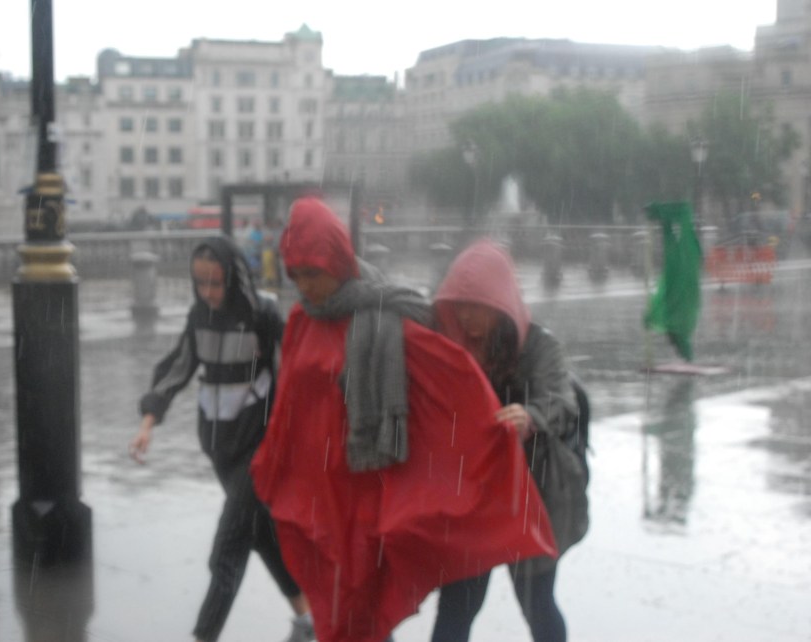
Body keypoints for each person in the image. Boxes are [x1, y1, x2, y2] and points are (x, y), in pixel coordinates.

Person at [250, 198, 557, 642]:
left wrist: (498, 435)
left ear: (337, 260)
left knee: (364, 600)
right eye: (295, 275)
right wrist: (275, 459)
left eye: (312, 273)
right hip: (318, 489)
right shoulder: (301, 320)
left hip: (365, 486)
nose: (304, 286)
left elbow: (454, 388)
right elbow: (288, 402)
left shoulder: (388, 317)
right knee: (339, 598)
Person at [129, 237, 314, 642]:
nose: (208, 293)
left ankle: (204, 635)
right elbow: (177, 368)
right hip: (220, 448)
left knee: (226, 550)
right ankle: (307, 619)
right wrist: (147, 422)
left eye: (215, 283)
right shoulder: (199, 318)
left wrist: (290, 448)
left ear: (232, 278)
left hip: (261, 448)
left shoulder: (262, 315)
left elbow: (291, 382)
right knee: (261, 536)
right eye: (200, 284)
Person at [430, 239, 589, 642]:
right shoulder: (452, 346)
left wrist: (531, 416)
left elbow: (561, 400)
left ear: (501, 301)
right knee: (455, 612)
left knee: (537, 604)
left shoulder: (538, 344)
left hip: (532, 494)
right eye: (460, 306)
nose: (467, 318)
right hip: (476, 499)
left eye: (477, 305)